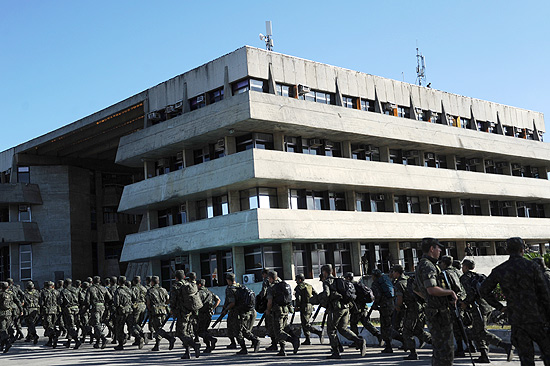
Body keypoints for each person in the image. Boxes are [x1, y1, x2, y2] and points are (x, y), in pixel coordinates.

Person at [480, 237, 550, 366]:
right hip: (537, 318)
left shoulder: (500, 270)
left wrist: (500, 307)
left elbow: (483, 290)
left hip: (517, 320)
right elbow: (544, 293)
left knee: (526, 358)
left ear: (507, 250)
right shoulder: (532, 266)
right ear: (522, 249)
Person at [414, 238, 457, 366]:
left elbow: (416, 289)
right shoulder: (428, 265)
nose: (440, 251)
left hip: (435, 312)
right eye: (438, 248)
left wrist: (428, 299)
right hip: (440, 314)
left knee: (439, 350)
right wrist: (450, 293)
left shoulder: (422, 264)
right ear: (431, 249)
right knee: (446, 351)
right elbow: (432, 289)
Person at [460, 258, 512, 363]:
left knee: (480, 332)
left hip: (478, 308)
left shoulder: (465, 278)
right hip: (487, 306)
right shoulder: (480, 276)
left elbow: (471, 293)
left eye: (462, 267)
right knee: (476, 331)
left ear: (465, 267)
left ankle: (505, 345)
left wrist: (465, 303)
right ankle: (483, 354)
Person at [319, 264, 366, 359]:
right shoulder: (339, 280)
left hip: (336, 309)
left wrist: (323, 302)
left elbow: (326, 294)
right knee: (343, 329)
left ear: (325, 272)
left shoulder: (327, 282)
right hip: (346, 307)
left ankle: (336, 352)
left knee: (331, 330)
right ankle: (359, 341)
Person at [221, 273, 260, 355]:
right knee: (243, 329)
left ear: (228, 280)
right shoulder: (240, 286)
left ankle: (245, 347)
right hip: (245, 312)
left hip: (237, 313)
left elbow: (232, 303)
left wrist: (225, 310)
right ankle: (253, 340)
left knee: (238, 331)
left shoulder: (230, 289)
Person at [438, 255, 467, 358]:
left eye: (441, 263)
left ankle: (460, 349)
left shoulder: (445, 274)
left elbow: (445, 289)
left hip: (453, 302)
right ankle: (469, 346)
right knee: (461, 324)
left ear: (444, 263)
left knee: (456, 327)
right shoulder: (457, 271)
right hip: (462, 299)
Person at [265, 270, 299, 356]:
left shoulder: (272, 288)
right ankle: (282, 349)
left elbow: (270, 302)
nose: (268, 280)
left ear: (272, 278)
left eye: (269, 278)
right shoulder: (283, 285)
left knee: (278, 331)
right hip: (285, 310)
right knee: (284, 327)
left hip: (277, 311)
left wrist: (268, 310)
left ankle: (293, 340)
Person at [344, 272, 382, 346]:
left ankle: (357, 340)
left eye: (345, 278)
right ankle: (378, 335)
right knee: (366, 322)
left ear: (348, 278)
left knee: (353, 323)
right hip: (363, 307)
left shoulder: (351, 285)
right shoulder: (359, 284)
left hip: (357, 308)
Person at [400, 273, 431, 360]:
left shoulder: (401, 283)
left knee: (407, 332)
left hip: (412, 310)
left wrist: (398, 307)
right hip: (420, 308)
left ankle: (413, 353)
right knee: (418, 331)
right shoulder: (412, 282)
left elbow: (399, 299)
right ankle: (439, 344)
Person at [145, 276, 175, 352]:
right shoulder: (163, 290)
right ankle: (157, 345)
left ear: (152, 282)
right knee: (159, 328)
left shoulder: (150, 291)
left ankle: (170, 338)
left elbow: (148, 303)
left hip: (155, 311)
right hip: (163, 310)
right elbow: (168, 300)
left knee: (157, 328)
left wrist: (150, 309)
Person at [178, 272, 202, 359]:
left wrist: (172, 310)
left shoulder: (178, 286)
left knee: (181, 332)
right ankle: (187, 353)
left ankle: (194, 346)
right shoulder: (191, 286)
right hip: (192, 311)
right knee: (188, 332)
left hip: (182, 313)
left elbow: (173, 300)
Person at [294, 273, 323, 345]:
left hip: (304, 307)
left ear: (300, 280)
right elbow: (316, 294)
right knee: (305, 323)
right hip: (310, 306)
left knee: (305, 324)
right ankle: (307, 339)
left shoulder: (299, 287)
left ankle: (317, 332)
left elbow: (298, 298)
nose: (296, 281)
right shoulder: (309, 286)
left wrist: (297, 306)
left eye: (297, 280)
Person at [371, 268, 395, 353]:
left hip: (384, 306)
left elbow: (378, 296)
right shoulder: (386, 280)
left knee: (385, 326)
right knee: (392, 325)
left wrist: (375, 305)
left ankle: (388, 346)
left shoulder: (376, 283)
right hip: (392, 304)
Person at [84, 276, 111, 349]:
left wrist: (87, 308)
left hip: (95, 307)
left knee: (96, 324)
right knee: (98, 324)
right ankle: (97, 342)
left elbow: (87, 300)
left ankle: (103, 338)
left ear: (93, 281)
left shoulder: (90, 289)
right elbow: (109, 297)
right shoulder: (104, 288)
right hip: (102, 307)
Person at [197, 279, 220, 353]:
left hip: (201, 314)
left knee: (200, 332)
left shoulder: (198, 293)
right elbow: (218, 300)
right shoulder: (209, 292)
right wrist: (212, 308)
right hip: (208, 314)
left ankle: (212, 339)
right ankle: (208, 347)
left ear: (199, 285)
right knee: (204, 330)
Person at [112, 276, 134, 350]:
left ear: (119, 282)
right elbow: (134, 298)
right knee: (131, 326)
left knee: (120, 328)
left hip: (121, 311)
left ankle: (120, 344)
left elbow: (116, 303)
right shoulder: (129, 290)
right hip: (129, 310)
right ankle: (139, 337)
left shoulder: (118, 291)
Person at [60, 278, 82, 349]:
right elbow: (81, 299)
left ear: (65, 284)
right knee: (74, 325)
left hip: (68, 310)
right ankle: (69, 341)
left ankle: (76, 341)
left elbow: (60, 302)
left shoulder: (63, 291)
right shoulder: (76, 290)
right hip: (77, 309)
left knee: (70, 326)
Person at [40, 281, 60, 348]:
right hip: (55, 310)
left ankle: (54, 337)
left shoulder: (43, 292)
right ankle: (51, 339)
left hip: (47, 311)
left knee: (48, 326)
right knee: (53, 325)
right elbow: (59, 301)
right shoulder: (56, 292)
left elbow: (41, 303)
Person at [130, 276, 148, 348]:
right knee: (139, 323)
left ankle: (141, 334)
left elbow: (131, 298)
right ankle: (137, 340)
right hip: (143, 306)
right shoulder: (144, 288)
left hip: (136, 306)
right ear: (140, 281)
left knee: (134, 323)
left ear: (134, 282)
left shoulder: (133, 289)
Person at [0, 281, 14, 353]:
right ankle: (2, 346)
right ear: (8, 287)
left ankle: (7, 342)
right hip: (9, 313)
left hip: (1, 314)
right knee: (6, 330)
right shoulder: (10, 294)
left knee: (2, 330)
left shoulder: (1, 294)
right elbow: (16, 302)